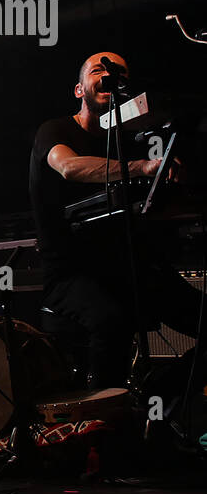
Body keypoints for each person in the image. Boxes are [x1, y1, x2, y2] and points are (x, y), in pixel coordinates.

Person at [29, 51, 203, 390]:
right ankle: (106, 423)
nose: (109, 77)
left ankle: (161, 401)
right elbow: (69, 166)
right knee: (113, 322)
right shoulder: (55, 129)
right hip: (72, 274)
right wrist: (144, 168)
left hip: (131, 267)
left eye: (118, 73)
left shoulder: (130, 140)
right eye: (99, 70)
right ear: (80, 89)